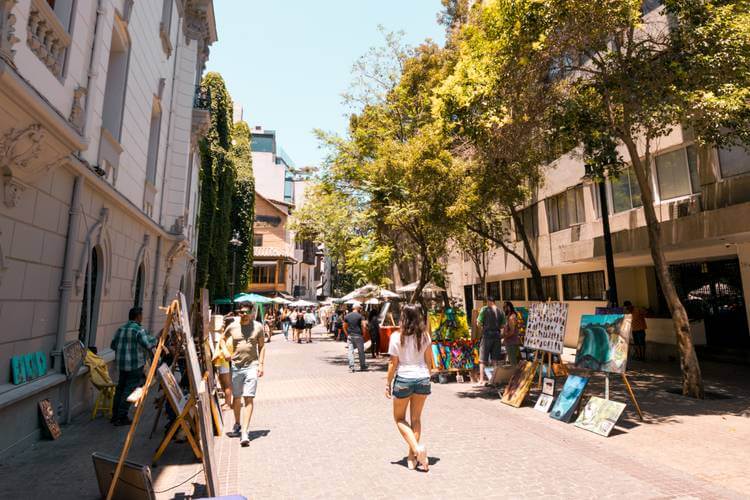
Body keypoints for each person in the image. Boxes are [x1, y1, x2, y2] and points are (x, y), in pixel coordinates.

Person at [385, 304, 433, 472]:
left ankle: (417, 450)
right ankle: (412, 458)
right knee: (416, 419)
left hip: (404, 379)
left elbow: (393, 363)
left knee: (399, 418)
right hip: (422, 378)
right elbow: (429, 361)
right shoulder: (425, 336)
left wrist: (387, 383)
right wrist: (429, 375)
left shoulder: (396, 337)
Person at [110, 307, 158, 426]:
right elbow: (148, 344)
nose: (142, 318)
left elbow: (113, 345)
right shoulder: (139, 330)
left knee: (120, 389)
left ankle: (115, 415)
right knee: (129, 390)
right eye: (141, 315)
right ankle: (121, 416)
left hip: (121, 365)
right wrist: (156, 340)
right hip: (134, 365)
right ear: (138, 317)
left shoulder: (120, 329)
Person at [226, 306, 266, 446]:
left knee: (249, 397)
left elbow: (262, 346)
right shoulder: (232, 326)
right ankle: (237, 423)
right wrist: (225, 351)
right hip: (236, 367)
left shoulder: (258, 327)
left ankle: (245, 431)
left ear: (252, 313)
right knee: (237, 399)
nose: (243, 314)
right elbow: (222, 340)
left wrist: (261, 364)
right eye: (241, 312)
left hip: (252, 366)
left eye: (246, 312)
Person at [476, 296, 506, 385]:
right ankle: (494, 380)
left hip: (487, 336)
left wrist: (483, 328)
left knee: (482, 359)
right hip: (497, 336)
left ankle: (481, 380)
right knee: (495, 360)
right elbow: (503, 326)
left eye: (487, 302)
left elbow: (478, 323)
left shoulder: (484, 310)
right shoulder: (501, 312)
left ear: (489, 301)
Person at [212, 315, 236, 410]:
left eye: (224, 323)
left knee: (227, 384)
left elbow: (227, 351)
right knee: (227, 383)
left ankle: (227, 403)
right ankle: (229, 402)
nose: (222, 325)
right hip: (225, 362)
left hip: (224, 362)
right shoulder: (231, 334)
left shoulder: (228, 336)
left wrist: (219, 354)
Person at [344, 304, 367, 372]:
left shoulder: (347, 316)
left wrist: (346, 334)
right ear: (358, 308)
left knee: (350, 351)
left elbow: (344, 326)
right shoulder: (360, 316)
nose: (360, 309)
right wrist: (364, 334)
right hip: (358, 335)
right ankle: (362, 366)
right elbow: (364, 326)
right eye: (360, 308)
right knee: (361, 352)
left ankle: (351, 367)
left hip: (350, 335)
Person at [502, 301, 521, 366]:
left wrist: (503, 336)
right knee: (514, 361)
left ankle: (515, 375)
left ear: (509, 307)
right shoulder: (509, 316)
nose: (504, 308)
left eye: (505, 307)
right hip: (511, 342)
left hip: (511, 343)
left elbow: (512, 331)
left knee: (513, 362)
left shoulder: (512, 317)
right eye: (503, 307)